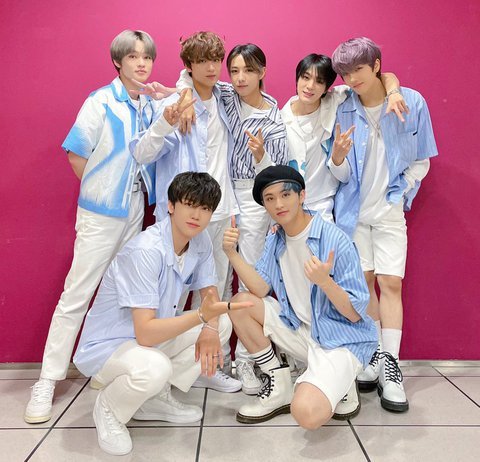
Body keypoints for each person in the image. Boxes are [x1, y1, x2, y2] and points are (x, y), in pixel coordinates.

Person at [24, 30, 160, 424]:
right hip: (101, 214)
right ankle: (47, 380)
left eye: (147, 57)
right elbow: (76, 155)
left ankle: (108, 369)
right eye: (133, 56)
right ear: (118, 61)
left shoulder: (150, 104)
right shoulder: (100, 102)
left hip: (135, 209)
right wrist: (102, 190)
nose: (141, 63)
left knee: (123, 295)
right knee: (77, 294)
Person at [73, 172, 253, 456]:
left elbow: (210, 293)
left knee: (221, 325)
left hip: (150, 337)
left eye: (205, 208)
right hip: (111, 345)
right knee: (155, 368)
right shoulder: (146, 250)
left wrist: (209, 327)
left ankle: (154, 399)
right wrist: (202, 317)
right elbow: (145, 333)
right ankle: (108, 408)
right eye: (189, 204)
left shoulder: (200, 240)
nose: (196, 215)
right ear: (170, 205)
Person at [222, 165, 377, 427]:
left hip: (340, 340)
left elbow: (354, 314)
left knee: (306, 413)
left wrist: (325, 282)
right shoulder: (276, 240)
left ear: (301, 196)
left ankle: (343, 382)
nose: (278, 204)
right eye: (270, 198)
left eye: (286, 195)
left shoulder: (334, 239)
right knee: (240, 304)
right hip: (302, 332)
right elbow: (259, 289)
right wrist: (232, 253)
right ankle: (280, 386)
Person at [131, 31, 242, 393]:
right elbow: (143, 153)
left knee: (216, 288)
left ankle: (211, 367)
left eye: (216, 60)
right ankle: (161, 373)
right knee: (172, 294)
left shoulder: (226, 97)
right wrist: (178, 103)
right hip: (182, 216)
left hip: (221, 210)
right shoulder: (174, 104)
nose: (211, 67)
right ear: (189, 65)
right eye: (202, 61)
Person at [331, 37, 438, 412]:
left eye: (358, 69)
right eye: (345, 73)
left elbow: (422, 159)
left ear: (376, 65)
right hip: (353, 213)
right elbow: (340, 175)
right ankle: (375, 355)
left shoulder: (411, 101)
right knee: (365, 284)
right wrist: (337, 159)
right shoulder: (343, 107)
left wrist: (400, 191)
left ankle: (392, 366)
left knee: (392, 282)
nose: (352, 79)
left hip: (390, 211)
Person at [176, 43, 289, 394]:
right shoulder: (225, 94)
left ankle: (248, 359)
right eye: (235, 70)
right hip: (221, 194)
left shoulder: (273, 115)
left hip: (254, 197)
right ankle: (213, 360)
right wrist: (184, 95)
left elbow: (278, 169)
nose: (240, 78)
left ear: (262, 72)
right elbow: (189, 76)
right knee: (214, 279)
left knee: (249, 278)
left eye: (248, 71)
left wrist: (260, 155)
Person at [281, 53, 407, 222]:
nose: (310, 86)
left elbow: (381, 77)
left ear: (326, 88)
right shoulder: (279, 120)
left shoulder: (334, 100)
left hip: (322, 203)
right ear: (297, 78)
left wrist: (393, 92)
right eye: (306, 77)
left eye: (319, 81)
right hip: (288, 202)